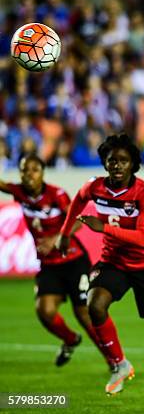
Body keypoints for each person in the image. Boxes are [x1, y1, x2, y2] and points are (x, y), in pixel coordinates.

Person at [58, 134, 144, 406]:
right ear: (104, 163)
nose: (117, 166)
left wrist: (104, 228)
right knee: (95, 305)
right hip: (114, 263)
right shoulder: (95, 187)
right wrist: (65, 233)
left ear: (134, 164)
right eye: (112, 161)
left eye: (123, 161)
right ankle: (119, 364)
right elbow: (78, 199)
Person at [0, 154, 105, 367]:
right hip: (49, 265)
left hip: (73, 260)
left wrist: (56, 239)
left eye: (34, 169)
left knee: (84, 314)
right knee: (45, 311)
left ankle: (114, 360)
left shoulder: (56, 194)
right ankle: (70, 340)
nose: (29, 174)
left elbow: (76, 221)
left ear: (42, 173)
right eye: (24, 169)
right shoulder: (18, 192)